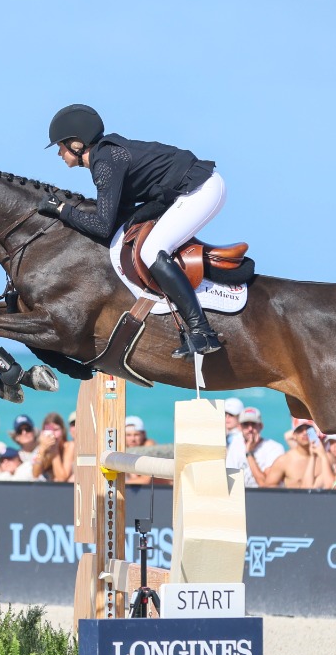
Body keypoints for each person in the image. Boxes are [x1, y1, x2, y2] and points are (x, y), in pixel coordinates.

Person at [39, 104, 226, 358]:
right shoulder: (105, 158)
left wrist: (62, 210)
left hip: (200, 189)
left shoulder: (105, 163)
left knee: (152, 250)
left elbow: (103, 227)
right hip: (182, 191)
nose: (59, 152)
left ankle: (202, 332)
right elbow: (116, 219)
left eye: (61, 145)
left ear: (76, 143)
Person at [226, 407, 285, 488]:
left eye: (253, 424)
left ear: (261, 426)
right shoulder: (235, 447)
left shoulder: (274, 448)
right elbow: (230, 483)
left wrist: (249, 454)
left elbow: (265, 485)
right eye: (246, 424)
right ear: (239, 427)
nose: (250, 429)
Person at [30, 412, 73, 482]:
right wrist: (42, 449)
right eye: (49, 430)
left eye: (56, 430)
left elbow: (62, 478)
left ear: (63, 430)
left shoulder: (69, 446)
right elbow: (35, 474)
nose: (52, 434)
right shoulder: (42, 448)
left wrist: (54, 450)